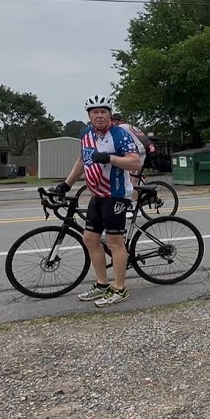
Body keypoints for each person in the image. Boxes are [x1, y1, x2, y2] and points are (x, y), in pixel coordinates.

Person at [54, 96, 142, 308]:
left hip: (116, 194)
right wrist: (66, 185)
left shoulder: (120, 135)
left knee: (114, 242)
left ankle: (120, 288)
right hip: (97, 195)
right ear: (89, 116)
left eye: (103, 111)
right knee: (90, 239)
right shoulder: (86, 134)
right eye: (95, 112)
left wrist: (109, 158)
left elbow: (135, 162)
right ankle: (102, 284)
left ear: (110, 114)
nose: (99, 115)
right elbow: (81, 161)